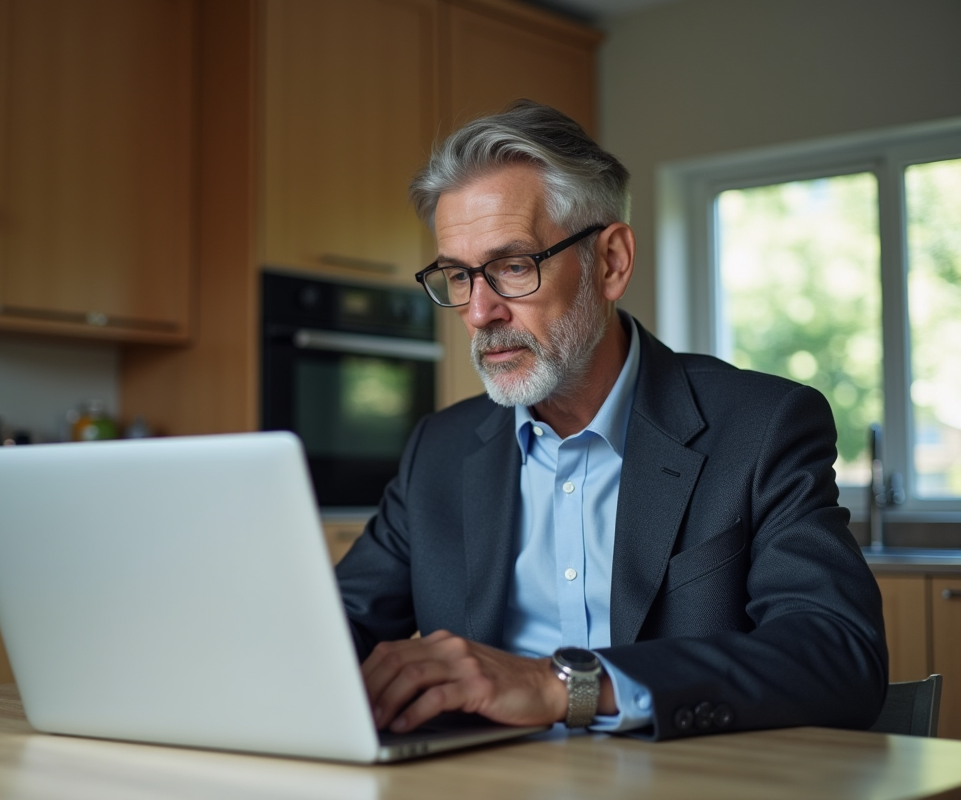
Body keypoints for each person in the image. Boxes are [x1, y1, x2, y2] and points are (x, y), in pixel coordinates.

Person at [334, 100, 887, 741]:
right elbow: (337, 623)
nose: (480, 311)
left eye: (513, 266)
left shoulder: (762, 426)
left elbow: (838, 654)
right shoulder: (441, 447)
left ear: (612, 263)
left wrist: (561, 685)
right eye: (458, 276)